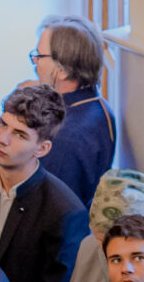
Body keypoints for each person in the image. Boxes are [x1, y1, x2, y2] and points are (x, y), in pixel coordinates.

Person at [0, 83, 87, 282]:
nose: (2, 138)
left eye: (20, 134)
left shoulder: (64, 211)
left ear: (42, 149)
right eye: (3, 123)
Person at [30, 15, 119, 204]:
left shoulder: (64, 139)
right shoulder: (99, 105)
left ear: (63, 71)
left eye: (40, 56)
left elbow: (50, 207)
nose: (35, 61)